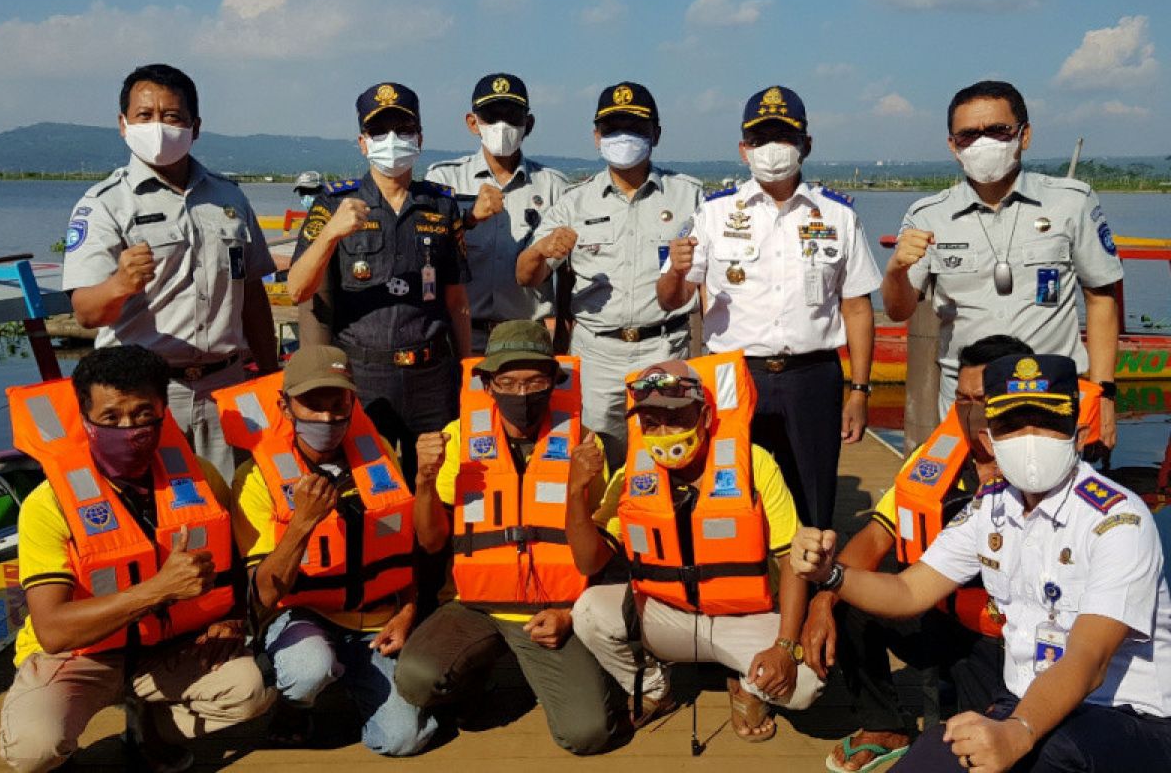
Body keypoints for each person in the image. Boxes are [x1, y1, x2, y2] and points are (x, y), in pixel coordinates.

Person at [793, 353, 1171, 772]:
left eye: (1047, 422)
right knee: (927, 761)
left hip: (1125, 715)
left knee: (1047, 754)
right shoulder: (989, 507)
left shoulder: (1118, 520)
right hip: (1023, 702)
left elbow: (1089, 659)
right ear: (990, 439)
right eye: (1012, 424)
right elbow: (909, 590)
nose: (1030, 437)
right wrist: (831, 575)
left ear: (1077, 434)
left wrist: (1018, 732)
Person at [0, 346, 274, 773]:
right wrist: (159, 589)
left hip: (170, 646)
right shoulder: (47, 503)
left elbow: (238, 568)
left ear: (164, 410)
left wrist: (233, 616)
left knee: (251, 689)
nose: (129, 428)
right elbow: (52, 630)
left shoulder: (201, 476)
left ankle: (152, 723)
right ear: (85, 418)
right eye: (111, 417)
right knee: (33, 750)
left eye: (143, 413)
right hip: (81, 656)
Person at [805, 334, 1035, 773]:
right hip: (937, 612)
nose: (972, 413)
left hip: (1009, 639)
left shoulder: (1044, 472)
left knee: (987, 749)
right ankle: (885, 725)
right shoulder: (935, 459)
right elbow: (875, 536)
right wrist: (824, 597)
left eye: (985, 400)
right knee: (848, 599)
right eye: (964, 400)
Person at [656, 85, 881, 530]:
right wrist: (675, 272)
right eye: (761, 139)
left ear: (806, 145)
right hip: (734, 376)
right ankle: (742, 593)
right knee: (733, 492)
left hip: (812, 375)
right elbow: (673, 300)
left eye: (784, 136)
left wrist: (860, 390)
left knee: (812, 500)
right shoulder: (714, 214)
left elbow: (857, 308)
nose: (772, 149)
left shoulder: (838, 215)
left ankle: (814, 591)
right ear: (744, 149)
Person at [568, 355, 824, 743]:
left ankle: (748, 685)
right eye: (651, 422)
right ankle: (656, 687)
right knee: (587, 612)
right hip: (668, 617)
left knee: (806, 684)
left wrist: (785, 647)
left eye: (677, 417)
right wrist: (575, 493)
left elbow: (792, 559)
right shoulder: (629, 477)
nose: (664, 430)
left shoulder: (755, 465)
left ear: (705, 418)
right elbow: (589, 560)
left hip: (748, 616)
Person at [394, 321, 622, 755]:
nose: (522, 393)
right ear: (487, 384)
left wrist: (569, 614)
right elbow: (430, 541)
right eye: (508, 381)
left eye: (535, 380)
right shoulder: (458, 438)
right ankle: (483, 680)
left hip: (553, 612)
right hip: (474, 604)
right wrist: (424, 480)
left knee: (587, 733)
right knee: (416, 678)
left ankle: (554, 676)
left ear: (554, 382)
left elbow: (594, 561)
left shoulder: (585, 445)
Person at [61, 63, 279, 479]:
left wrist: (269, 374)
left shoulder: (229, 196)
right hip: (143, 397)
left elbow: (252, 292)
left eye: (172, 116)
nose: (158, 126)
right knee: (154, 509)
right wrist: (120, 284)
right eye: (145, 115)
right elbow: (87, 313)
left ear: (195, 127)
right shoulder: (105, 203)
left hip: (228, 387)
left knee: (237, 505)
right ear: (123, 124)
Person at [216, 346, 436, 755]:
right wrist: (302, 521)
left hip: (374, 620)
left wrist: (408, 609)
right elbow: (262, 595)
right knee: (308, 670)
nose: (327, 417)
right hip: (302, 616)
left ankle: (358, 686)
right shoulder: (254, 479)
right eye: (312, 405)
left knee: (407, 739)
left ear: (353, 402)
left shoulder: (381, 453)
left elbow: (406, 548)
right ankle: (296, 703)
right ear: (285, 405)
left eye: (338, 404)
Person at [881, 80, 1123, 448]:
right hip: (966, 402)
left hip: (1049, 396)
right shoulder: (928, 215)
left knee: (1055, 502)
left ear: (1024, 135)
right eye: (968, 135)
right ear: (952, 146)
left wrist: (1104, 393)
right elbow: (898, 310)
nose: (983, 143)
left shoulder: (1071, 203)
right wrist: (896, 270)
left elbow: (1102, 298)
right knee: (968, 500)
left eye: (998, 130)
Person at [286, 82, 471, 483]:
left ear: (419, 138)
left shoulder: (441, 204)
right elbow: (297, 289)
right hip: (363, 378)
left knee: (437, 484)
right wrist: (331, 234)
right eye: (379, 132)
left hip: (432, 376)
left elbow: (457, 301)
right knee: (371, 486)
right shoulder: (332, 203)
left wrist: (467, 370)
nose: (392, 141)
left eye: (403, 130)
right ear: (362, 142)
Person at [515, 82, 702, 469]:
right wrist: (539, 250)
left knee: (667, 455)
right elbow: (525, 276)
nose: (624, 138)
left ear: (656, 134)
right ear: (597, 136)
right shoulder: (574, 202)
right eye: (614, 129)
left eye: (634, 128)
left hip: (664, 346)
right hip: (597, 353)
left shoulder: (690, 197)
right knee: (596, 457)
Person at [426, 73, 569, 352]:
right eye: (491, 115)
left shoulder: (554, 186)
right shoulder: (444, 179)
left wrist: (563, 339)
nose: (502, 125)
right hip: (462, 333)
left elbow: (568, 275)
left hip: (527, 337)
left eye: (512, 115)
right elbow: (426, 254)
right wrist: (466, 221)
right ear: (472, 123)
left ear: (528, 124)